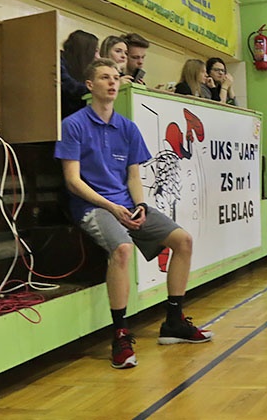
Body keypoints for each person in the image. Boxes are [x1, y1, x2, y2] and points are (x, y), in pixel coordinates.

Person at [54, 58, 213, 370]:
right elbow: (73, 181)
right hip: (92, 207)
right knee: (123, 249)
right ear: (90, 86)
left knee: (183, 241)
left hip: (127, 205)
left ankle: (173, 322)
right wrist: (112, 208)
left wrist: (139, 206)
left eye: (115, 77)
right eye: (104, 77)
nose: (113, 83)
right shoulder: (73, 125)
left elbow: (133, 177)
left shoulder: (127, 127)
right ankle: (120, 334)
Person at [60, 30, 98, 119]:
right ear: (85, 51)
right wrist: (99, 88)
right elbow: (71, 87)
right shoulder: (57, 61)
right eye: (95, 51)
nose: (98, 57)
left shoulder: (81, 68)